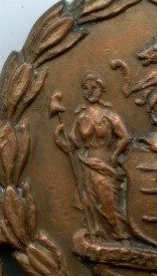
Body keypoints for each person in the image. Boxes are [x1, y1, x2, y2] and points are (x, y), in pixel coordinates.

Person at [55, 71, 131, 240]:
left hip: (106, 162)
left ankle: (121, 235)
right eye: (85, 88)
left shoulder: (110, 115)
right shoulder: (81, 116)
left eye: (94, 88)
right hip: (87, 163)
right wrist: (58, 137)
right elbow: (72, 145)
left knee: (108, 203)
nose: (90, 92)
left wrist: (115, 155)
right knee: (91, 202)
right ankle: (99, 236)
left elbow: (126, 137)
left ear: (101, 90)